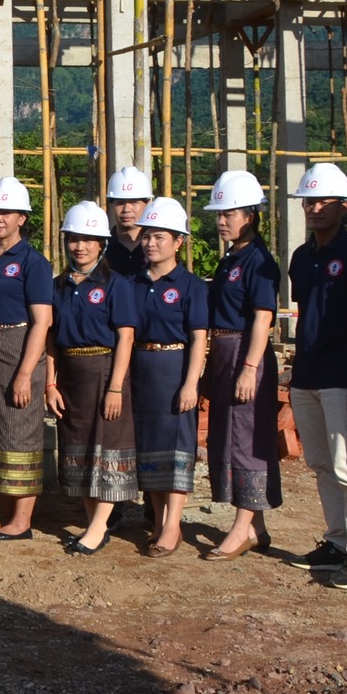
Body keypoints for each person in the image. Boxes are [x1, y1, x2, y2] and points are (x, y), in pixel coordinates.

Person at [282, 163, 347, 588]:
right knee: (321, 463)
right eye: (310, 201)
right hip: (308, 374)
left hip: (342, 376)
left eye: (324, 201)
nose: (315, 208)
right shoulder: (302, 258)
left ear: (344, 206)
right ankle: (338, 542)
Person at [45, 202, 139, 555]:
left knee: (107, 447)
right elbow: (51, 340)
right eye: (73, 239)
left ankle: (99, 528)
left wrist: (115, 387)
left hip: (104, 372)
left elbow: (126, 337)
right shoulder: (57, 286)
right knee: (78, 448)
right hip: (70, 376)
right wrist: (50, 383)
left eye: (88, 239)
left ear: (101, 243)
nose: (80, 246)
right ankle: (93, 523)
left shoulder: (116, 285)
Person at [200, 169, 282, 561]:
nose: (221, 220)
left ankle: (241, 528)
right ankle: (256, 527)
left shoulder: (258, 261)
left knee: (245, 440)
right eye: (219, 214)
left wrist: (249, 367)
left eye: (228, 213)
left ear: (249, 215)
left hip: (244, 351)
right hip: (224, 351)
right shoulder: (231, 257)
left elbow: (263, 317)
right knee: (228, 435)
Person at [0, 176, 55, 541]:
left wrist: (24, 373)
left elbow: (43, 321)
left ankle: (22, 522)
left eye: (6, 212)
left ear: (22, 218)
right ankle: (6, 514)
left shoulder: (34, 263)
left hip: (19, 348)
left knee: (20, 432)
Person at [129, 196, 209, 557]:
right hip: (140, 370)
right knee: (150, 447)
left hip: (173, 371)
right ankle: (160, 521)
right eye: (147, 235)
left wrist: (191, 383)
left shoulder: (192, 286)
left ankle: (173, 525)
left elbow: (199, 338)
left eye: (160, 236)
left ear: (179, 241)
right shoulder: (132, 283)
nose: (151, 243)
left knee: (176, 447)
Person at [104, 165, 152, 279]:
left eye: (134, 202)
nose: (126, 209)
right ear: (111, 205)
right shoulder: (101, 248)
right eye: (120, 203)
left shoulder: (155, 248)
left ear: (148, 204)